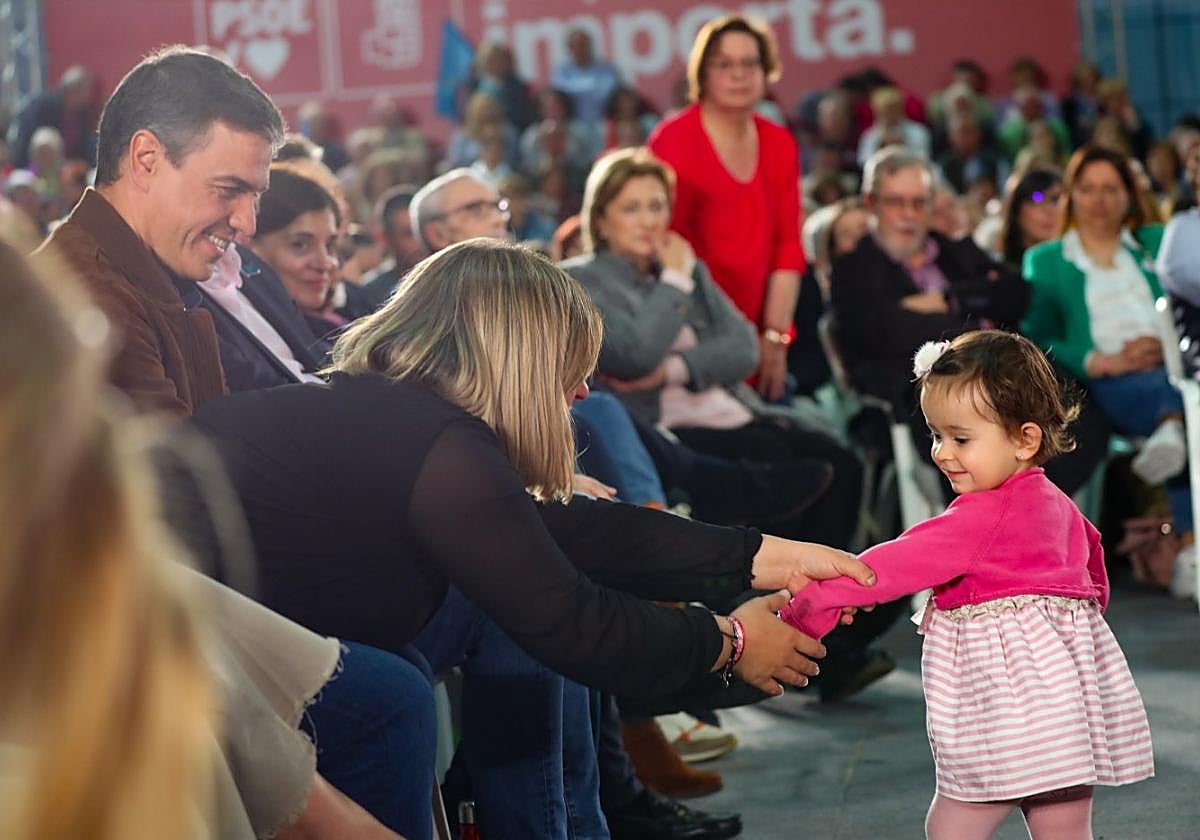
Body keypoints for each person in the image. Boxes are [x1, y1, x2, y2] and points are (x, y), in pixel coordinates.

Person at [183, 238, 875, 837]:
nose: (579, 394)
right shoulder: (441, 441)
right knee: (409, 686)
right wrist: (734, 643)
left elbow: (566, 533)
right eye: (572, 366)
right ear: (519, 357)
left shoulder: (397, 412)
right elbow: (572, 622)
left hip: (217, 635)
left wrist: (761, 558)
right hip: (189, 667)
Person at [35, 46, 436, 837]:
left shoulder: (146, 273)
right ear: (145, 158)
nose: (246, 224)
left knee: (431, 634)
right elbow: (192, 498)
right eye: (231, 191)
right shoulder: (90, 293)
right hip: (153, 617)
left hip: (193, 588)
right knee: (397, 694)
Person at [780, 331, 1154, 840]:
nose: (942, 453)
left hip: (1004, 706)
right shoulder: (1058, 504)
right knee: (1063, 824)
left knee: (957, 819)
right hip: (1064, 704)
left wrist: (810, 607)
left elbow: (886, 568)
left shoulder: (978, 517)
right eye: (936, 435)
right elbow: (1093, 575)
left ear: (1025, 439)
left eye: (960, 438)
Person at [1024, 144, 1194, 591]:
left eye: (1111, 189)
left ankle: (1189, 541)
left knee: (1180, 402)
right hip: (1106, 380)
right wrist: (1102, 359)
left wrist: (1162, 344)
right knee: (1178, 407)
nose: (1099, 200)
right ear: (1072, 196)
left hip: (1171, 363)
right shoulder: (1048, 261)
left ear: (1128, 195)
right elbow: (1034, 339)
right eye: (1088, 189)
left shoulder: (1154, 243)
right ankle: (1190, 543)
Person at [649, 14, 804, 401]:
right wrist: (723, 345)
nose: (739, 75)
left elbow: (788, 248)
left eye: (749, 63)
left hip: (765, 329)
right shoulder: (673, 141)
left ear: (766, 72)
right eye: (724, 64)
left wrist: (774, 337)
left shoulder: (780, 141)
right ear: (702, 73)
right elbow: (666, 253)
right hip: (695, 333)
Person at [362, 184, 423, 301]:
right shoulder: (370, 295)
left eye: (421, 230)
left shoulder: (453, 276)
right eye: (408, 233)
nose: (420, 240)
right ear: (386, 239)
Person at [997, 168, 1064, 269]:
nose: (1049, 210)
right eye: (1036, 199)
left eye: (1056, 200)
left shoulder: (1083, 268)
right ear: (1016, 210)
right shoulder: (997, 273)